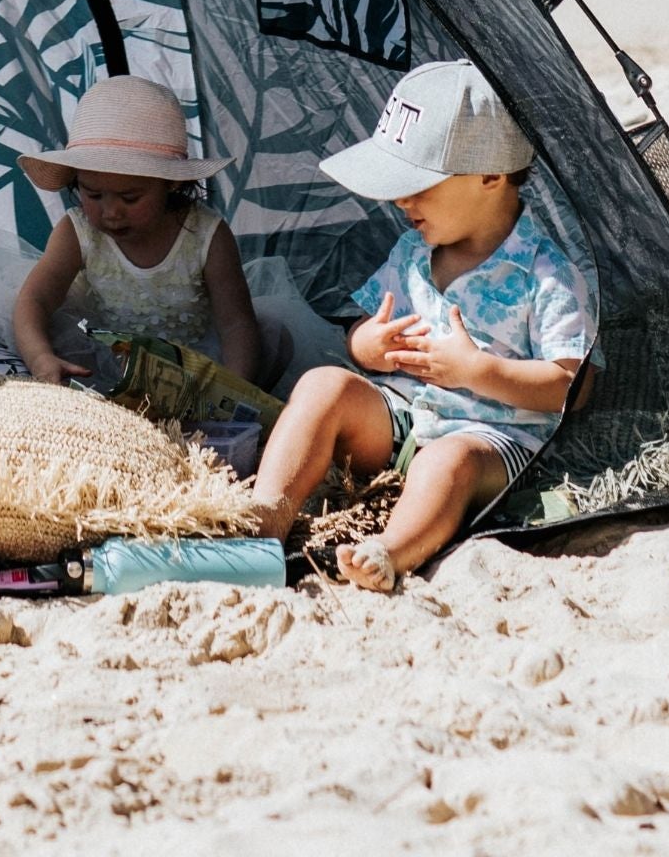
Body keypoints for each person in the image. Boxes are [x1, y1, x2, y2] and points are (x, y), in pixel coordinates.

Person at [251, 60, 592, 593]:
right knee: (322, 385)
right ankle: (261, 521)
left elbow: (573, 384)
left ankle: (390, 550)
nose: (401, 201)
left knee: (446, 461)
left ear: (490, 177)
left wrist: (477, 371)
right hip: (406, 415)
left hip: (490, 437)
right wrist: (368, 346)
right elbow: (363, 327)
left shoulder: (545, 272)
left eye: (417, 185)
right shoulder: (413, 250)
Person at [13, 77, 281, 389]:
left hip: (194, 364)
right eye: (93, 195)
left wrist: (235, 388)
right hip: (105, 358)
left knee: (275, 341)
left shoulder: (206, 235)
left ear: (172, 182)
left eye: (130, 198)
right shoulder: (77, 231)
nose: (111, 212)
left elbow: (235, 323)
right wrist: (41, 358)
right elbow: (35, 298)